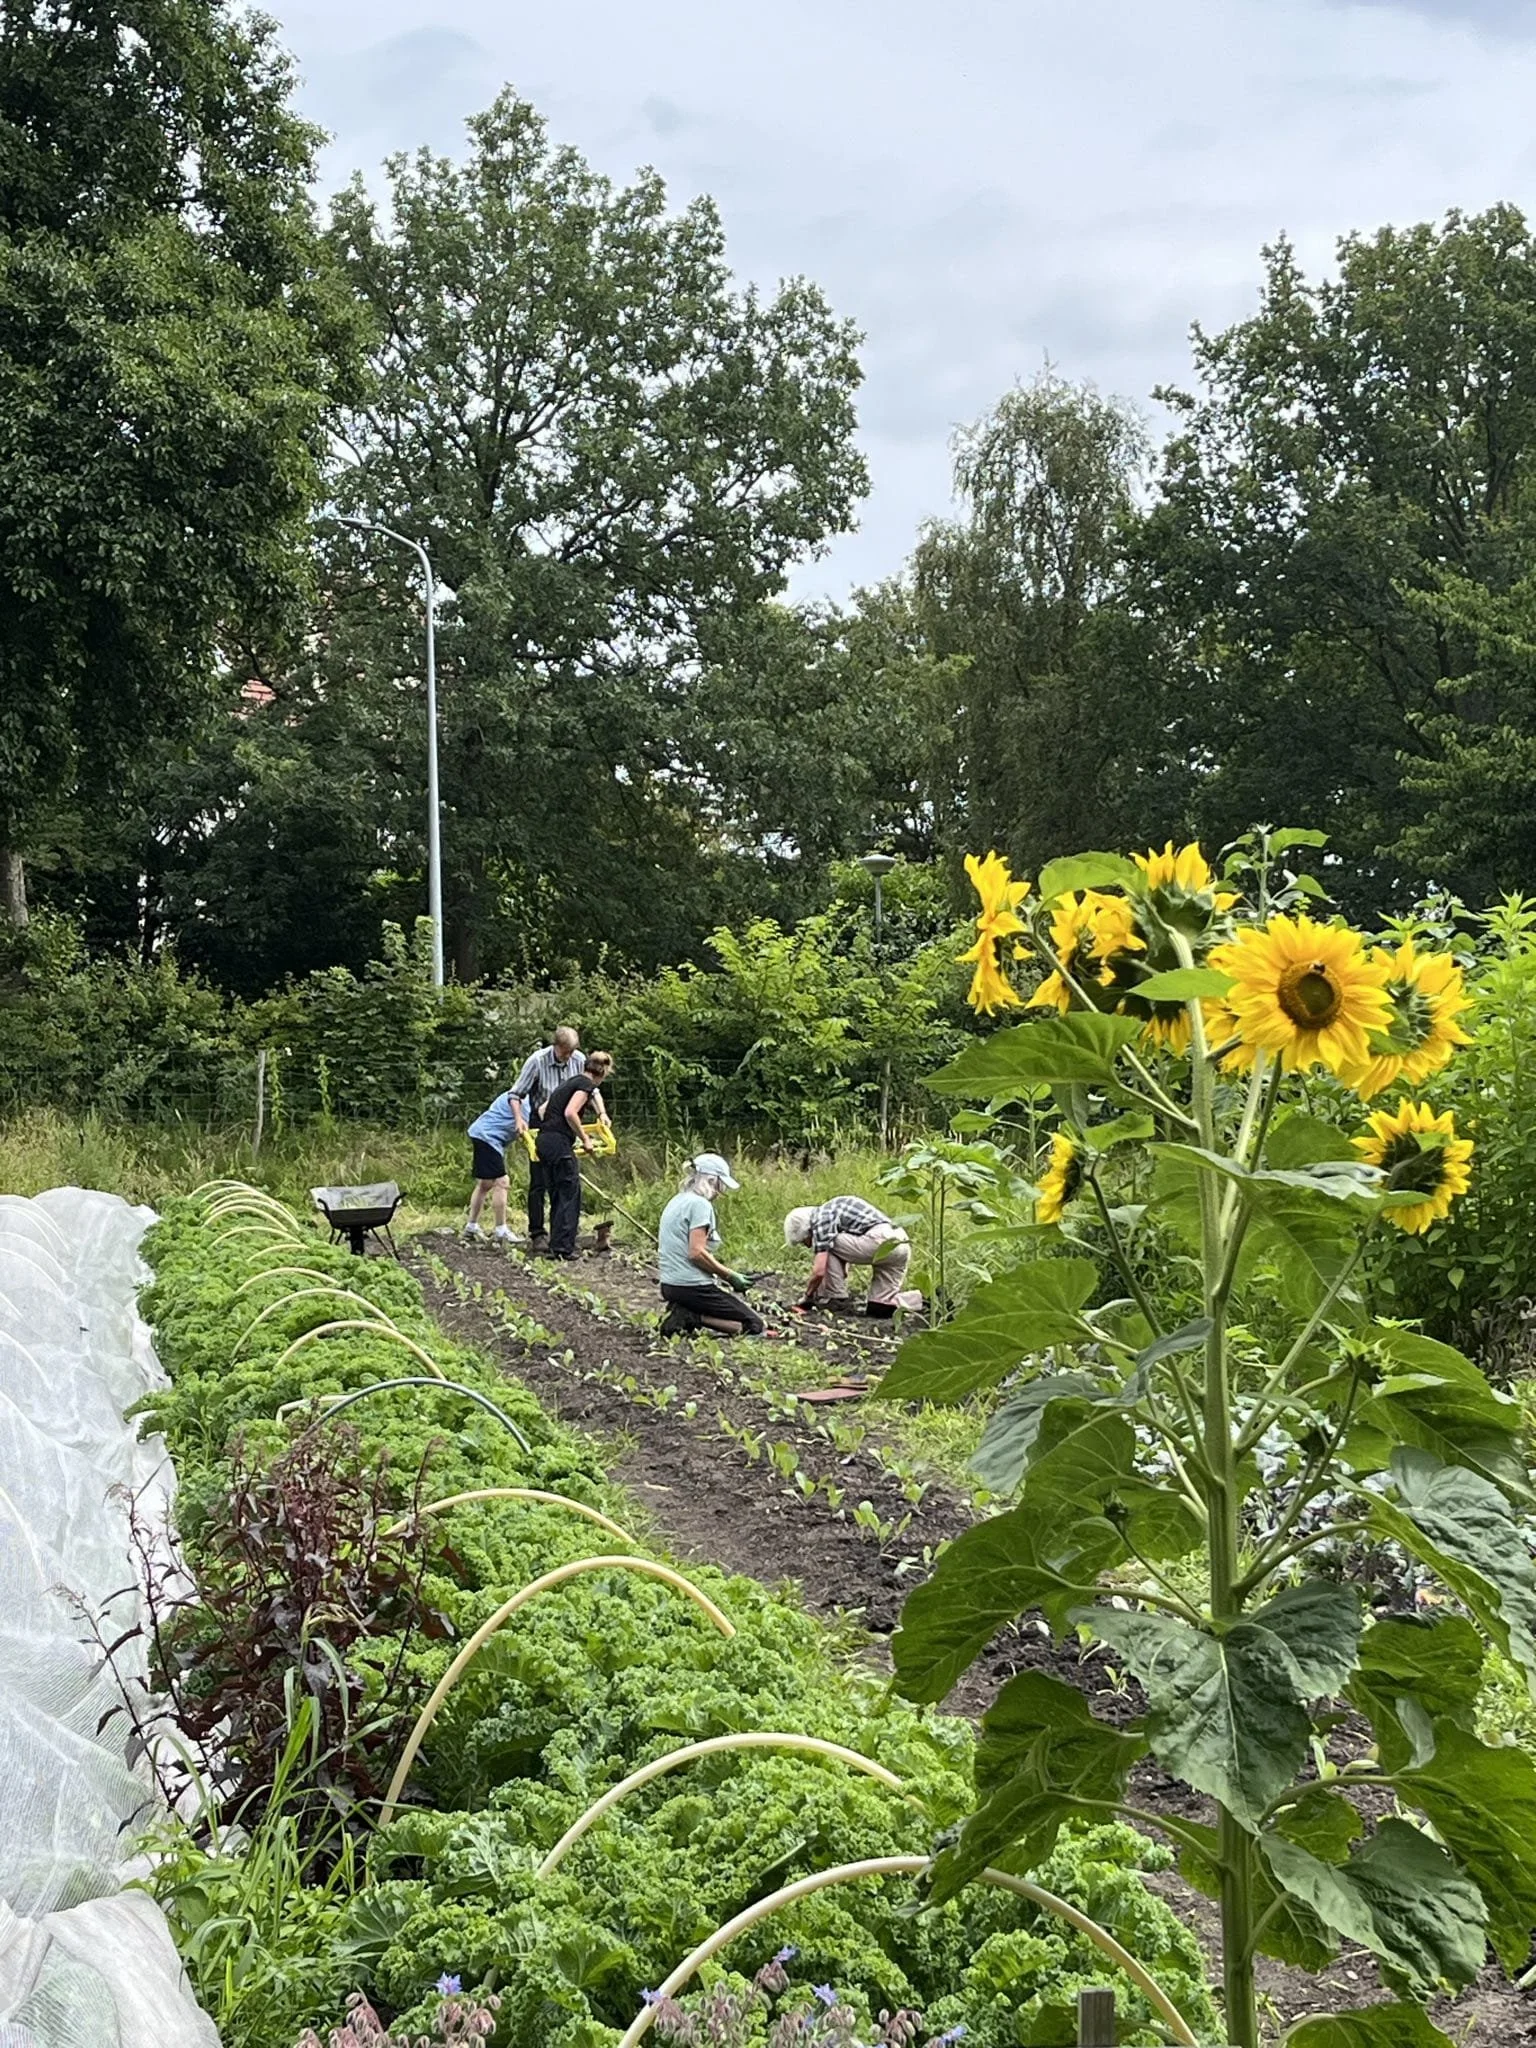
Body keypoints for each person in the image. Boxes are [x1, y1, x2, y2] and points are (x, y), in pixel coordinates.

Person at [509, 1025, 605, 1252]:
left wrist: (601, 1113)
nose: (569, 1057)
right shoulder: (537, 1061)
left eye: (572, 1052)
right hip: (543, 1124)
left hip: (564, 1129)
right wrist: (518, 1120)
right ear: (556, 1046)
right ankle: (538, 1233)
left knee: (561, 1183)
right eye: (565, 1052)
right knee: (540, 1182)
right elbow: (516, 1094)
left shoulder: (579, 1060)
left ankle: (560, 1236)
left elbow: (591, 1090)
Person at [656, 1154, 765, 1338]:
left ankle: (683, 1310)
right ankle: (693, 1317)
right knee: (754, 1325)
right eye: (720, 1186)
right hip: (692, 1286)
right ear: (711, 1181)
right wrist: (729, 1276)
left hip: (670, 1285)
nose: (720, 1192)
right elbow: (696, 1253)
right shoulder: (700, 1205)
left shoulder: (677, 1200)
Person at [783, 1195, 915, 1319]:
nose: (807, 1246)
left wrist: (807, 1296)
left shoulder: (820, 1219)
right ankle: (924, 1301)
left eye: (804, 1241)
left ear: (807, 1230)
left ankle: (834, 1297)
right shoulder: (831, 1213)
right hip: (900, 1242)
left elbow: (819, 1272)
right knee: (880, 1308)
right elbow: (847, 1249)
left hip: (881, 1239)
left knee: (826, 1246)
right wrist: (841, 1272)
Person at [535, 1053, 614, 1258]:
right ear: (603, 1072)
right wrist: (585, 1139)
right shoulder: (585, 1085)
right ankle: (563, 1249)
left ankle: (556, 1246)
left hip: (544, 1141)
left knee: (556, 1194)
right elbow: (571, 1112)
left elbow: (543, 1110)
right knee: (570, 1194)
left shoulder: (569, 1082)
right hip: (559, 1144)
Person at [463, 1084, 523, 1242]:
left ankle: (471, 1226)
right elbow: (526, 1127)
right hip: (488, 1137)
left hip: (483, 1135)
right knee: (502, 1182)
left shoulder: (515, 1094)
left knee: (485, 1184)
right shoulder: (525, 1100)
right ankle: (501, 1230)